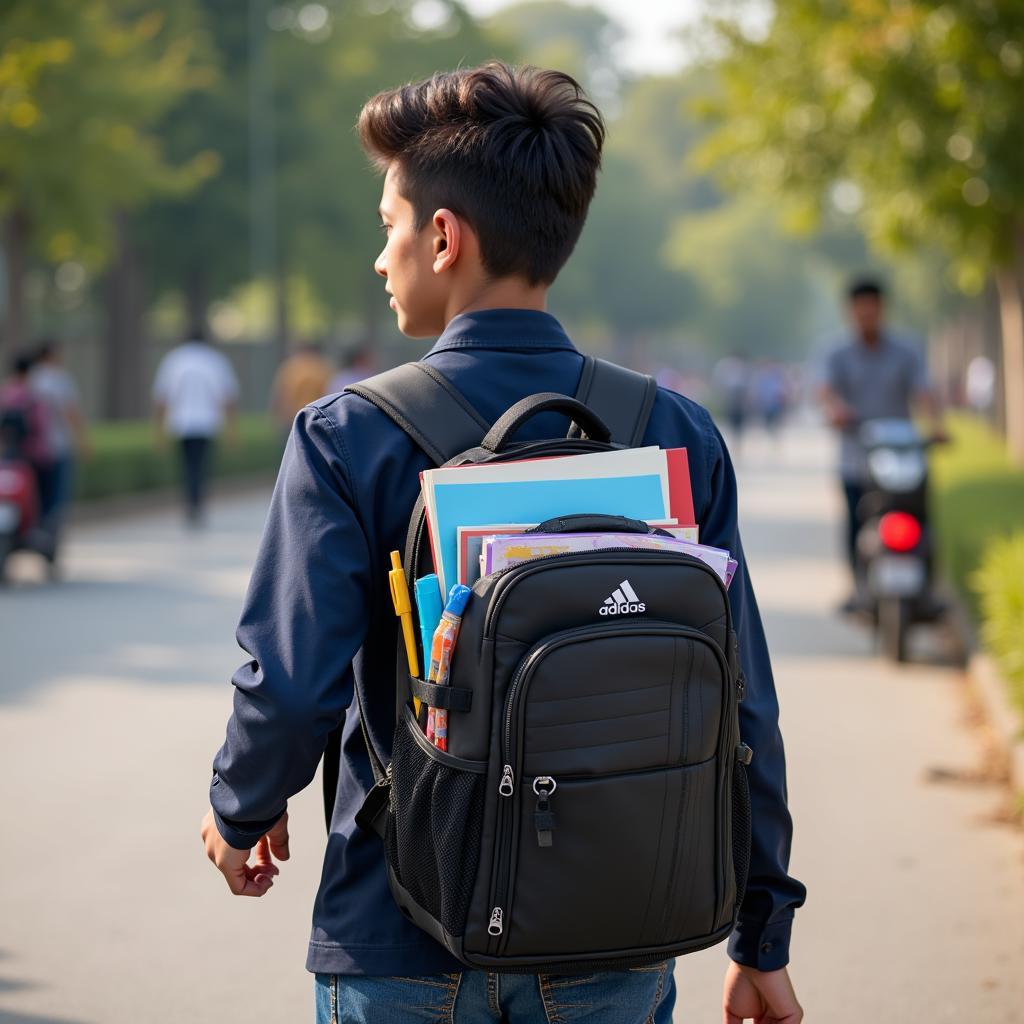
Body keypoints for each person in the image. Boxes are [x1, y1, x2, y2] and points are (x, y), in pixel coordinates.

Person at [200, 63, 805, 1024]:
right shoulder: (676, 434)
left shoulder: (350, 435)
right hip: (620, 921)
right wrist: (761, 934)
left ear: (444, 237)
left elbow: (291, 677)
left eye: (389, 225)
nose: (380, 256)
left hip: (400, 927)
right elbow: (742, 702)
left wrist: (242, 808)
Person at [820, 278, 944, 611]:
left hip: (903, 458)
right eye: (861, 310)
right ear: (851, 312)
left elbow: (923, 391)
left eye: (872, 309)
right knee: (856, 525)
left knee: (923, 519)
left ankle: (928, 588)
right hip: (857, 459)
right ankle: (859, 587)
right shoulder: (837, 353)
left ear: (881, 309)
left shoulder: (906, 351)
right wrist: (835, 410)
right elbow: (825, 390)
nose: (867, 316)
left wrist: (936, 425)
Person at [152, 323, 239, 526]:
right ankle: (198, 504)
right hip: (207, 423)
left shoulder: (174, 360)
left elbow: (161, 397)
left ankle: (190, 504)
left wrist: (158, 432)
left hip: (181, 423)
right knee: (201, 466)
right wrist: (232, 430)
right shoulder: (215, 360)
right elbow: (228, 396)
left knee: (186, 466)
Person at [29, 340, 90, 537]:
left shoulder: (31, 378)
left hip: (34, 449)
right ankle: (51, 535)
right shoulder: (59, 378)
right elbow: (70, 412)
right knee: (56, 497)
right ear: (50, 355)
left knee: (39, 494)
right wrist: (82, 440)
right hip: (57, 446)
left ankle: (36, 530)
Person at [269, 341, 334, 435]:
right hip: (313, 416)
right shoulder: (323, 367)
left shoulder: (290, 366)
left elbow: (279, 393)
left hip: (295, 416)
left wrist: (275, 414)